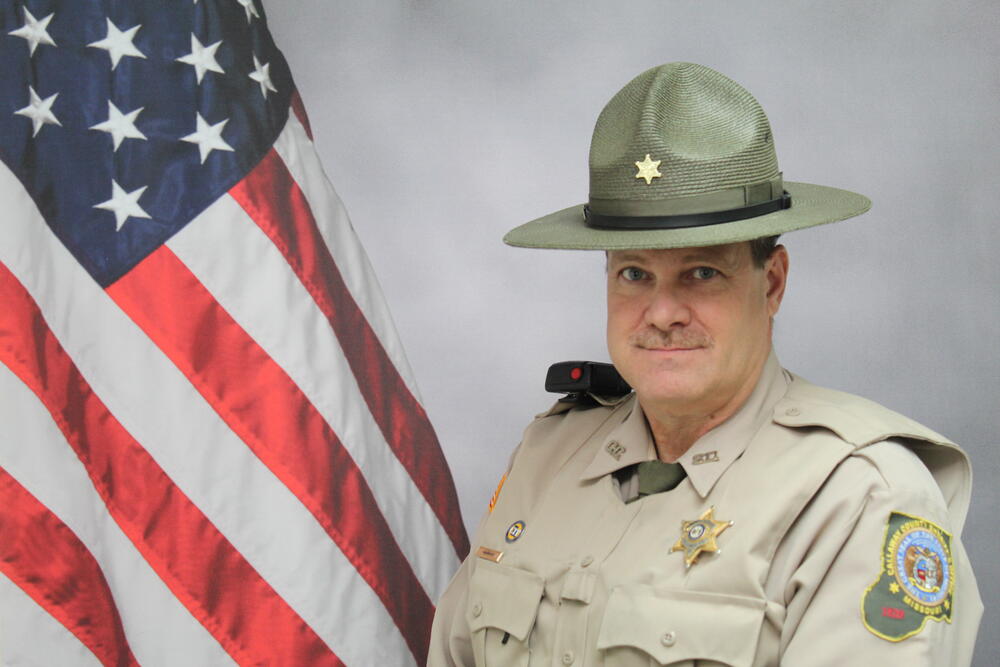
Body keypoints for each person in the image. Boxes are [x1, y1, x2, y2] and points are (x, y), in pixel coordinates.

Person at [428, 63, 982, 666]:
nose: (662, 313)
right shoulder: (549, 454)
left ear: (771, 283)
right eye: (634, 274)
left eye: (702, 273)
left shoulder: (860, 496)